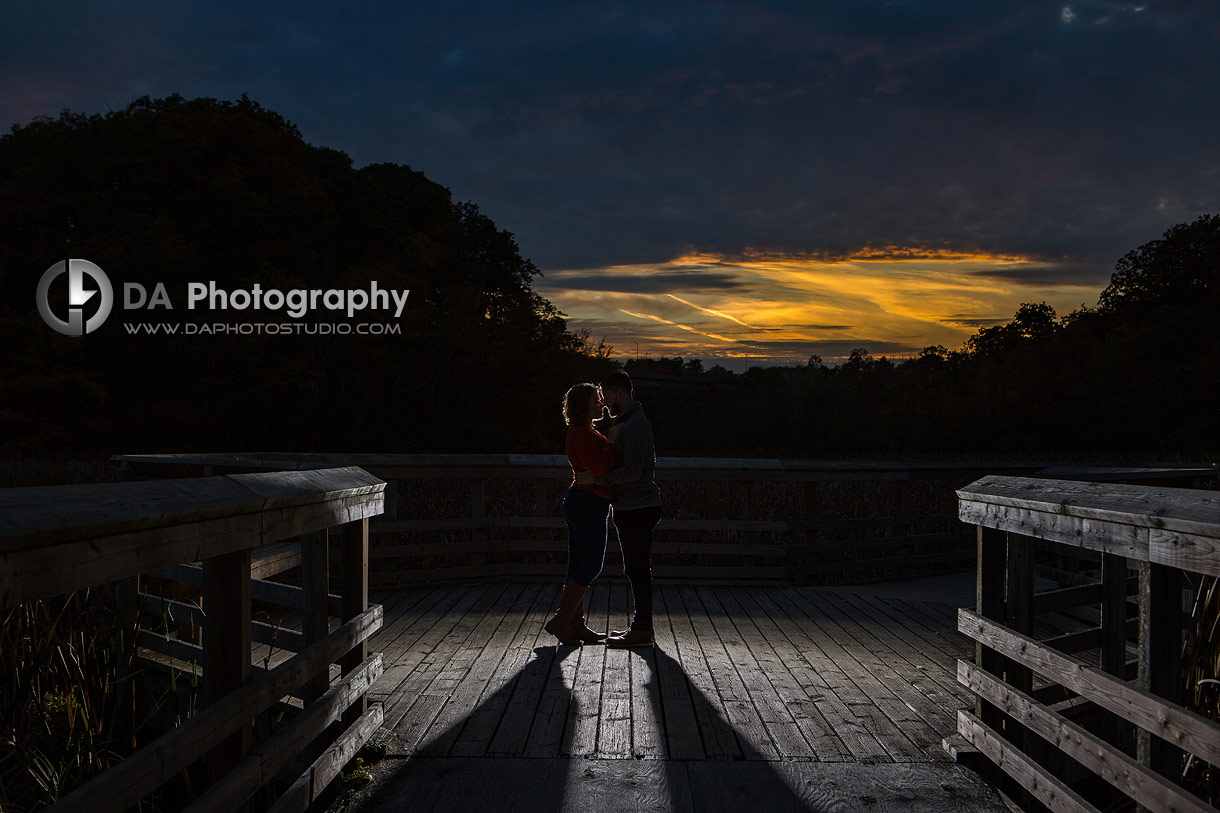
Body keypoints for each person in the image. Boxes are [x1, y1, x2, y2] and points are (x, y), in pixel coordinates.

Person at [575, 370, 662, 647]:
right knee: (636, 567)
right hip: (630, 506)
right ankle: (641, 627)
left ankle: (642, 629)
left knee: (637, 568)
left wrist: (598, 480)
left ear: (621, 394)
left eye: (608, 396)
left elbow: (633, 472)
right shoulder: (626, 423)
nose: (604, 403)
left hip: (638, 506)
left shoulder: (635, 425)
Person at [546, 383, 619, 645]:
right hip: (587, 502)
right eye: (595, 401)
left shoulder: (583, 431)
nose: (601, 405)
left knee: (577, 565)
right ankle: (563, 620)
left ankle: (575, 624)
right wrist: (611, 441)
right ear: (582, 406)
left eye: (600, 400)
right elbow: (600, 466)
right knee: (590, 564)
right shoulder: (583, 434)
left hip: (584, 502)